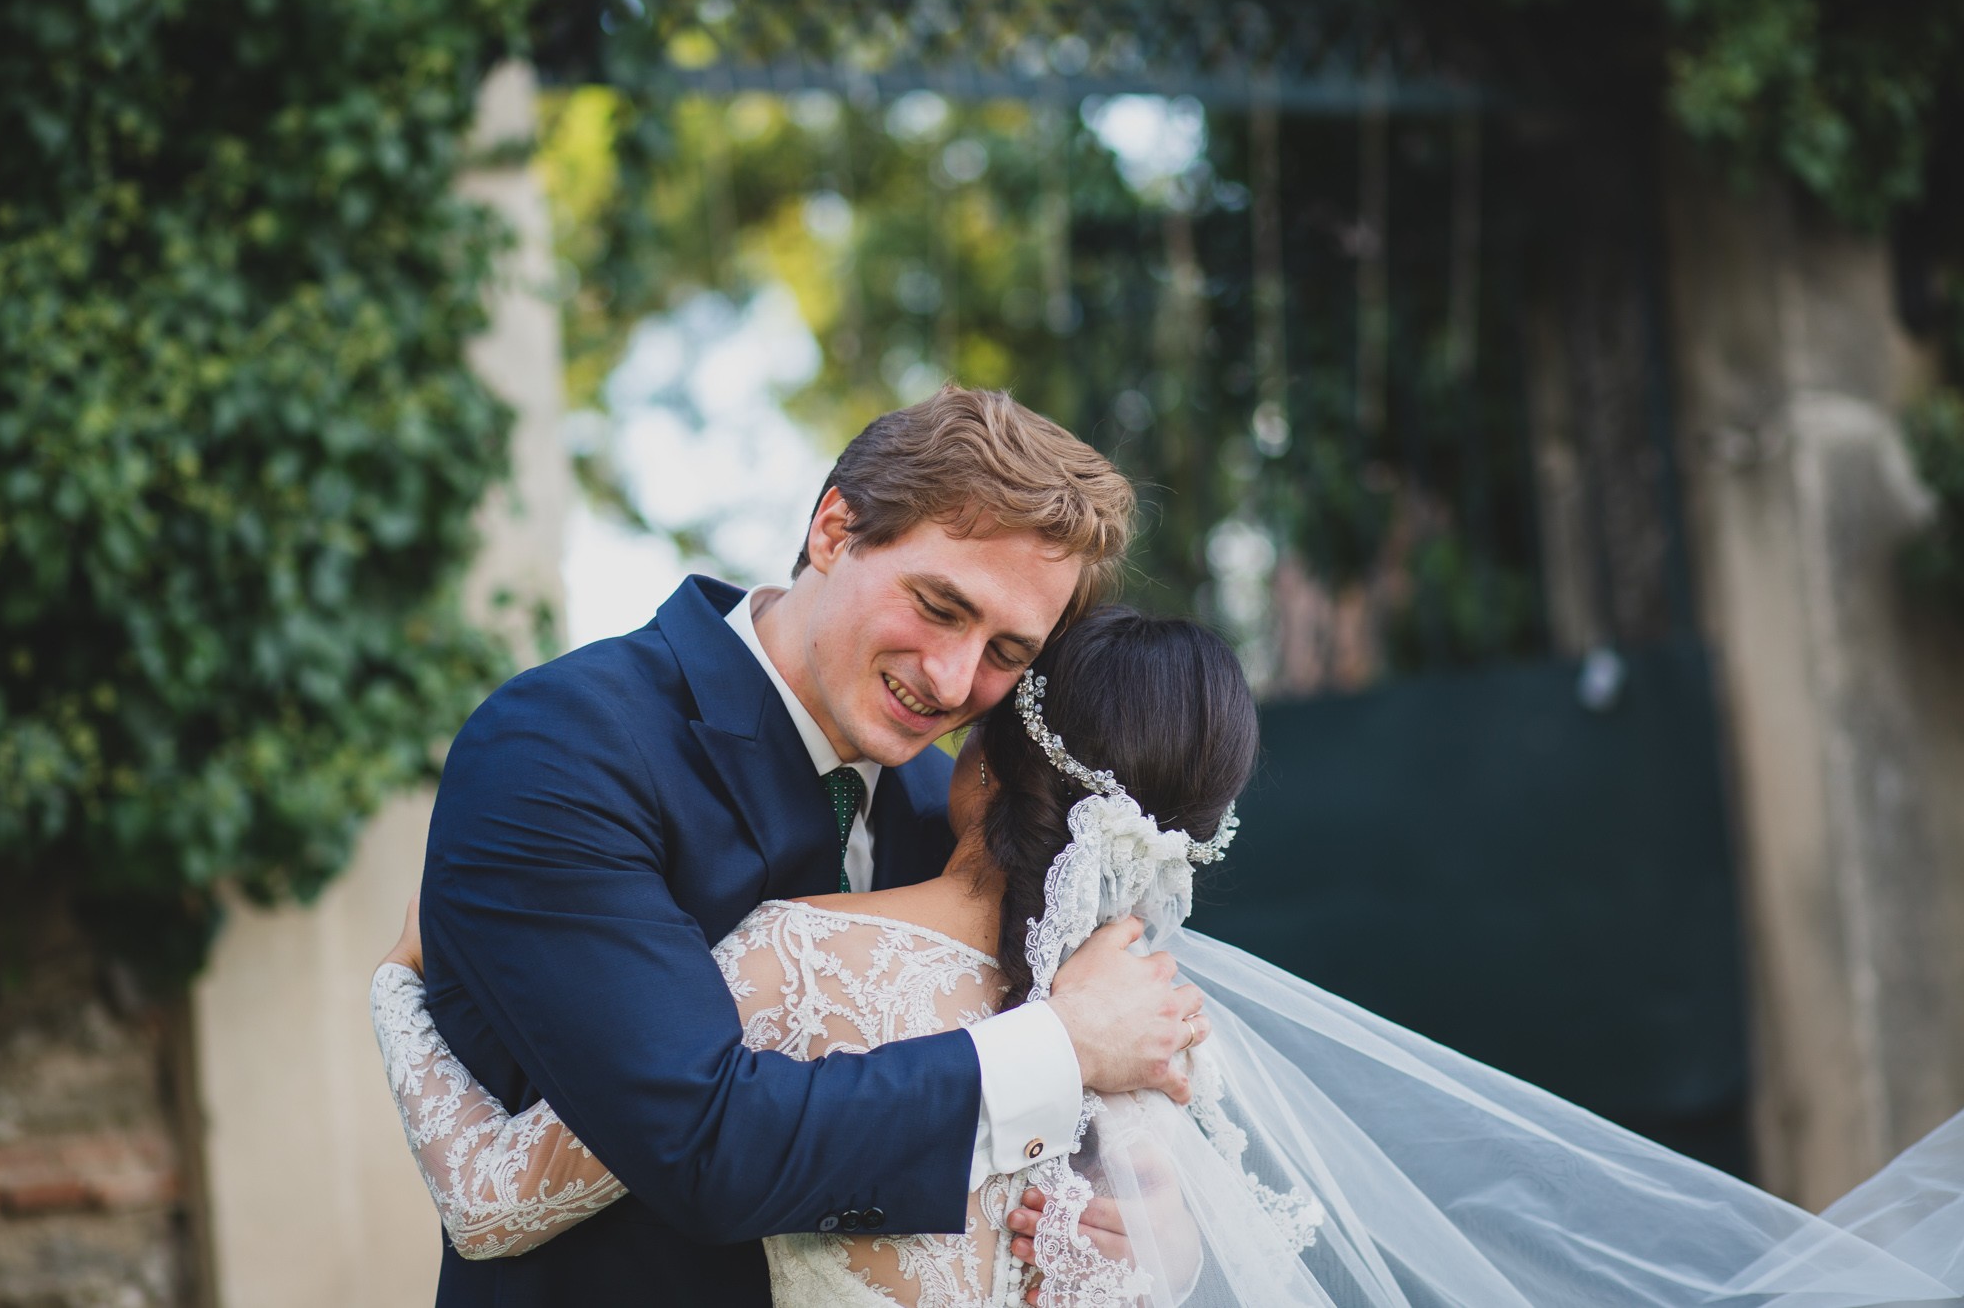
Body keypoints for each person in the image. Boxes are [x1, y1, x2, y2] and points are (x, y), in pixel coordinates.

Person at [380, 604, 1964, 1303]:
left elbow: (500, 1195)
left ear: (993, 760)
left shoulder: (797, 956)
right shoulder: (1166, 1055)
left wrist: (399, 994)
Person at [402, 386, 1210, 1306]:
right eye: (940, 605)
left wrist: (1141, 1238)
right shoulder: (565, 746)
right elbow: (699, 1143)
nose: (953, 680)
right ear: (834, 529)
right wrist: (1055, 1048)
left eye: (1006, 652)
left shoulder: (950, 815)